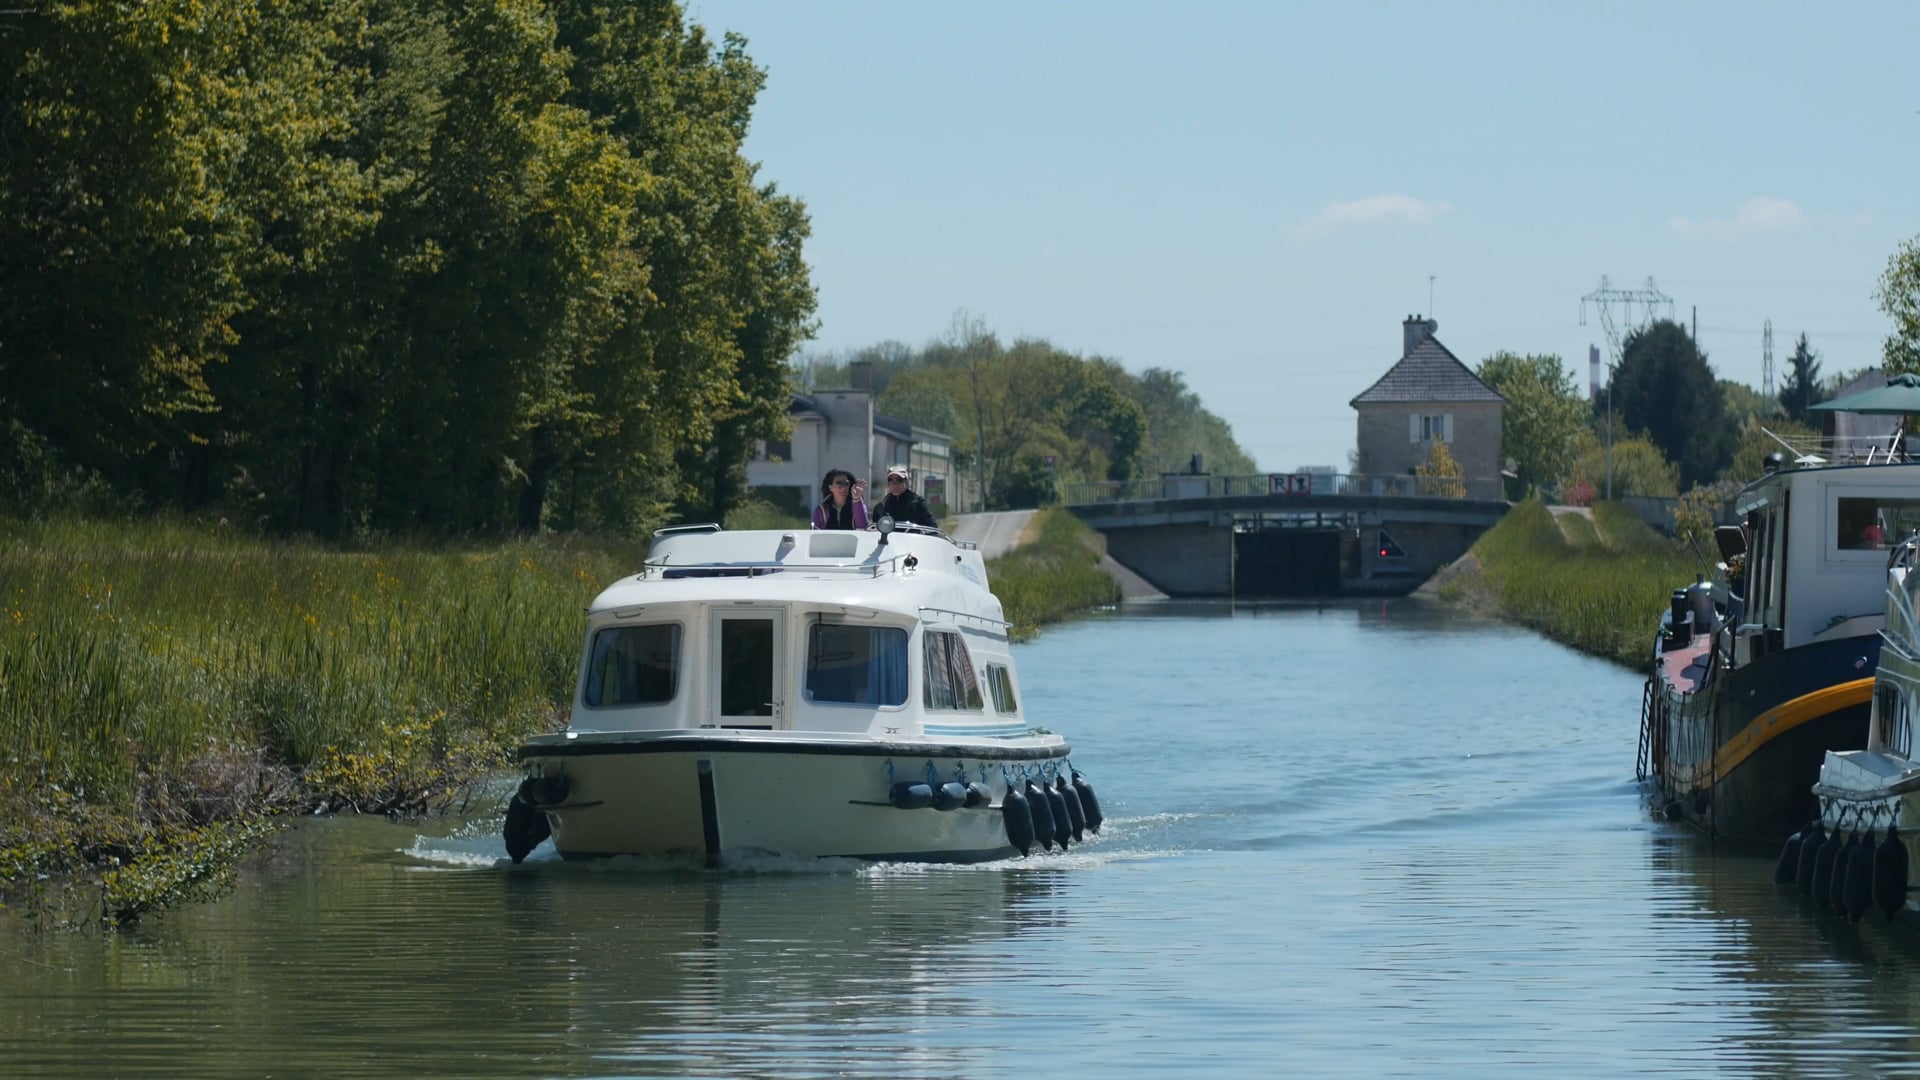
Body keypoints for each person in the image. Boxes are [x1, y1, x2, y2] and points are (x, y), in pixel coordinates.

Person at [872, 464, 938, 529]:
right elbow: (874, 531)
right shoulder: (881, 507)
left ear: (906, 482)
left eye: (899, 480)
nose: (895, 484)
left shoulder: (918, 504)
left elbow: (932, 528)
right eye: (891, 480)